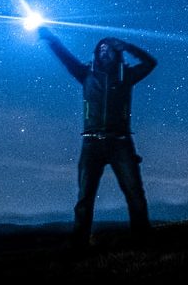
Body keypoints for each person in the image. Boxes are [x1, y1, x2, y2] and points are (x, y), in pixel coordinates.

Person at [38, 26, 157, 248]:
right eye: (100, 48)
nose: (104, 50)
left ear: (116, 52)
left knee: (135, 193)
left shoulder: (126, 76)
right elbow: (66, 59)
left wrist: (129, 46)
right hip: (91, 142)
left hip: (121, 142)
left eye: (109, 48)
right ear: (96, 53)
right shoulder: (86, 75)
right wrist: (52, 39)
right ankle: (79, 243)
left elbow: (151, 63)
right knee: (85, 197)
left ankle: (143, 240)